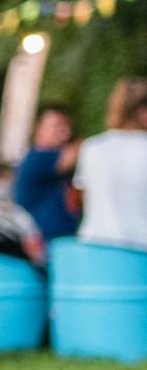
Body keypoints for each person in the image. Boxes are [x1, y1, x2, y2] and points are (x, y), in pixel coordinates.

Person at [74, 77, 147, 251]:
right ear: (142, 112)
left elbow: (80, 199)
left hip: (94, 250)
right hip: (140, 253)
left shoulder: (91, 147)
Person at [12, 106, 81, 248]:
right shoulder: (38, 157)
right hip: (45, 245)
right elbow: (70, 157)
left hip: (61, 242)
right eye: (56, 126)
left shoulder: (53, 162)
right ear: (39, 129)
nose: (64, 131)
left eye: (66, 125)